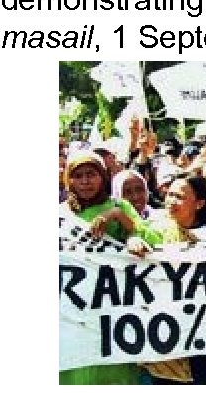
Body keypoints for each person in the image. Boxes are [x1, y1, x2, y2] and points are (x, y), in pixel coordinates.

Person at [59, 151, 159, 385]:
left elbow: (155, 241)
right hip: (71, 310)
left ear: (103, 177)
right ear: (68, 180)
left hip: (111, 308)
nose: (85, 181)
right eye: (78, 176)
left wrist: (120, 218)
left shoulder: (119, 205)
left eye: (91, 174)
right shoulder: (61, 214)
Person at [141, 175, 206, 384]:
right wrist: (133, 243)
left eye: (179, 196)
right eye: (170, 195)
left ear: (200, 203)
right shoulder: (153, 231)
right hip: (166, 336)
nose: (171, 200)